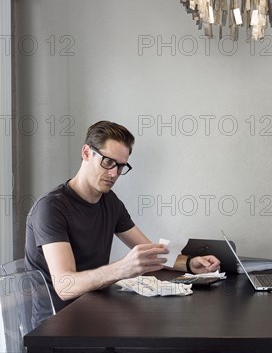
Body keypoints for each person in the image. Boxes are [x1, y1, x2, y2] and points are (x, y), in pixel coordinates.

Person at [25, 120, 220, 317]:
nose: (114, 173)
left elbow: (151, 254)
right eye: (108, 162)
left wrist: (189, 263)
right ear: (86, 153)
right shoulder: (50, 208)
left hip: (94, 311)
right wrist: (123, 268)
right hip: (56, 326)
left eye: (120, 166)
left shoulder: (109, 201)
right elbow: (65, 286)